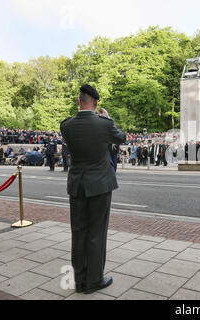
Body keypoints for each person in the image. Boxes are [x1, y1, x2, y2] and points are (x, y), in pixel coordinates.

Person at [60, 84, 126, 295]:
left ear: (78, 101)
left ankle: (79, 280)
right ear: (96, 103)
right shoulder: (103, 124)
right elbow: (121, 137)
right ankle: (94, 279)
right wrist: (108, 119)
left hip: (77, 184)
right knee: (97, 232)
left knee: (78, 232)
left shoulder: (66, 125)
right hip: (99, 184)